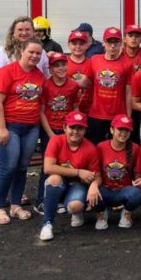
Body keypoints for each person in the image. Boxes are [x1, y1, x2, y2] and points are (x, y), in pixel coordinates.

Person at [0, 37, 45, 224]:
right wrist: (1, 128)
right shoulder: (6, 72)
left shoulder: (39, 75)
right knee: (8, 167)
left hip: (30, 127)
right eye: (31, 52)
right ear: (22, 51)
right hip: (9, 126)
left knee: (22, 167)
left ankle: (15, 206)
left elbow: (40, 104)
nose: (35, 56)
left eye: (38, 53)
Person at [38, 111, 100, 241]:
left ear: (85, 130)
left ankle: (77, 212)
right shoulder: (56, 140)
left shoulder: (90, 148)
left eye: (80, 128)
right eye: (72, 127)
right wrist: (78, 172)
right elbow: (48, 168)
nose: (75, 132)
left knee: (75, 206)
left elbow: (97, 175)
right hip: (60, 180)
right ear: (65, 127)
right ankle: (47, 224)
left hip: (77, 184)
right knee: (54, 179)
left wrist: (94, 185)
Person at [36, 53, 80, 214]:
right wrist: (50, 134)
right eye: (56, 65)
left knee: (65, 164)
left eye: (63, 64)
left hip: (67, 131)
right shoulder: (46, 86)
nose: (60, 68)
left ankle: (60, 199)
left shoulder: (73, 85)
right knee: (47, 166)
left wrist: (75, 128)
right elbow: (41, 112)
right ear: (50, 68)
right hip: (50, 130)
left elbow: (75, 107)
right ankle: (41, 200)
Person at [91, 115, 141, 230]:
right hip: (105, 190)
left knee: (137, 194)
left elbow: (138, 172)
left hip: (124, 190)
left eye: (127, 130)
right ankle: (101, 214)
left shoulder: (134, 148)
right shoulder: (101, 147)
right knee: (91, 191)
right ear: (111, 129)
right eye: (120, 129)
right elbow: (95, 171)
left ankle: (126, 213)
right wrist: (93, 185)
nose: (124, 133)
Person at [84, 27, 134, 145]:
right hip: (96, 114)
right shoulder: (94, 60)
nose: (112, 46)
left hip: (117, 115)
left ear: (121, 43)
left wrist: (128, 116)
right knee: (95, 147)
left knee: (118, 147)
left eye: (116, 42)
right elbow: (84, 82)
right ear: (103, 43)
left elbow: (128, 92)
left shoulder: (127, 64)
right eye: (109, 42)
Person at [0, 15, 49, 82]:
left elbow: (47, 77)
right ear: (13, 33)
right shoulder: (4, 51)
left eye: (27, 29)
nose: (24, 33)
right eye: (20, 30)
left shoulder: (41, 51)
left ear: (33, 32)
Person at [122, 24, 141, 145]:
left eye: (137, 36)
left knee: (137, 137)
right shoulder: (119, 54)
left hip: (139, 103)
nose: (133, 39)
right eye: (130, 35)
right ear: (124, 38)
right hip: (122, 102)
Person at [66, 30, 92, 114]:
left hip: (90, 110)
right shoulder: (63, 64)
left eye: (81, 44)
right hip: (69, 110)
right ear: (68, 45)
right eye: (74, 44)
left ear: (87, 45)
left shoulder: (92, 63)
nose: (78, 46)